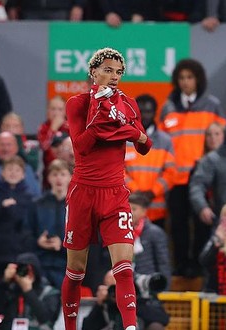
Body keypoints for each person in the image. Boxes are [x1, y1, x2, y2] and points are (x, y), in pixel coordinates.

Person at [62, 47, 152, 330]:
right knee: (76, 270)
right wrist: (107, 123)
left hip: (115, 192)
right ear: (94, 72)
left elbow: (145, 145)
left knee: (124, 267)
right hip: (83, 193)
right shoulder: (77, 103)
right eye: (108, 71)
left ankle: (130, 327)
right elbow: (83, 146)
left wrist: (128, 130)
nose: (114, 77)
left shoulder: (129, 103)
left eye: (119, 72)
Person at [159, 58, 224, 277]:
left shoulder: (212, 105)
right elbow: (162, 143)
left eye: (190, 77)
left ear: (198, 80)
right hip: (176, 177)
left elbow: (219, 140)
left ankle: (199, 264)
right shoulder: (168, 107)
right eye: (182, 78)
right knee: (178, 224)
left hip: (203, 175)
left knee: (202, 223)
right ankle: (181, 264)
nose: (186, 82)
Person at [0, 156, 36, 283]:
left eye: (17, 170)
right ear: (2, 173)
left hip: (22, 254)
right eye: (10, 169)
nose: (13, 173)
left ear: (23, 175)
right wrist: (1, 209)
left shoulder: (31, 200)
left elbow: (32, 225)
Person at [124, 94, 175, 227]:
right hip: (128, 208)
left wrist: (153, 192)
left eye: (148, 111)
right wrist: (135, 190)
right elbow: (118, 170)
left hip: (156, 210)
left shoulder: (165, 141)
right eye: (141, 111)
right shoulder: (124, 139)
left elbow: (170, 173)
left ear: (155, 113)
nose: (145, 115)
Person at [0, 252, 61, 330]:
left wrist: (28, 291)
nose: (26, 273)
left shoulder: (50, 292)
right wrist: (4, 282)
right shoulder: (11, 289)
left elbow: (45, 318)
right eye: (21, 269)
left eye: (29, 270)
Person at [31, 159, 71, 288]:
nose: (58, 178)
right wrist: (38, 242)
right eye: (54, 174)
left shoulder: (79, 205)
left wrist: (63, 245)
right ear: (48, 178)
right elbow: (26, 232)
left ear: (70, 177)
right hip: (41, 263)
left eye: (63, 174)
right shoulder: (37, 204)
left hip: (68, 265)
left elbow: (85, 237)